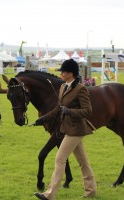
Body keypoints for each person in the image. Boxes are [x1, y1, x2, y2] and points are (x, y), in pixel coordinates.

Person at [33, 59, 97, 200]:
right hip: (67, 128)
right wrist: (43, 119)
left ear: (70, 73)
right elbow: (58, 109)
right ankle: (91, 191)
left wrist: (70, 111)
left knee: (59, 159)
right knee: (83, 162)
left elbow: (88, 111)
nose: (61, 73)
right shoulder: (63, 87)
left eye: (63, 71)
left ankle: (49, 194)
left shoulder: (81, 89)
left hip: (76, 130)